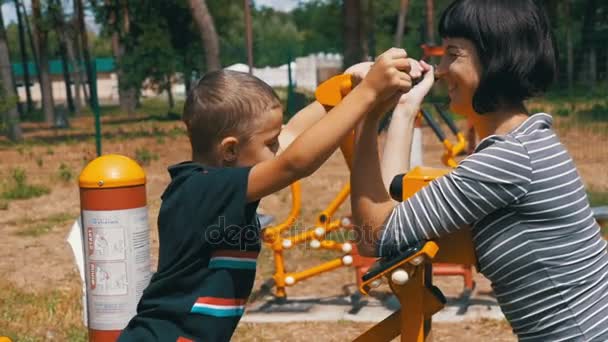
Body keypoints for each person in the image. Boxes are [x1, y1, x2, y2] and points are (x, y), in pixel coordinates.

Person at [118, 48, 416, 341]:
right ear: (230, 150)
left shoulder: (220, 180)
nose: (278, 148)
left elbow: (292, 135)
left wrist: (344, 87)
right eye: (270, 143)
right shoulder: (201, 189)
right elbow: (294, 163)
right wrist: (367, 95)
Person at [350, 1, 608, 341]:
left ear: (498, 59)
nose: (440, 70)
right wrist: (403, 109)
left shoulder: (509, 159)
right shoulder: (528, 142)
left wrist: (365, 109)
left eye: (453, 54)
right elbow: (392, 203)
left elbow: (375, 236)